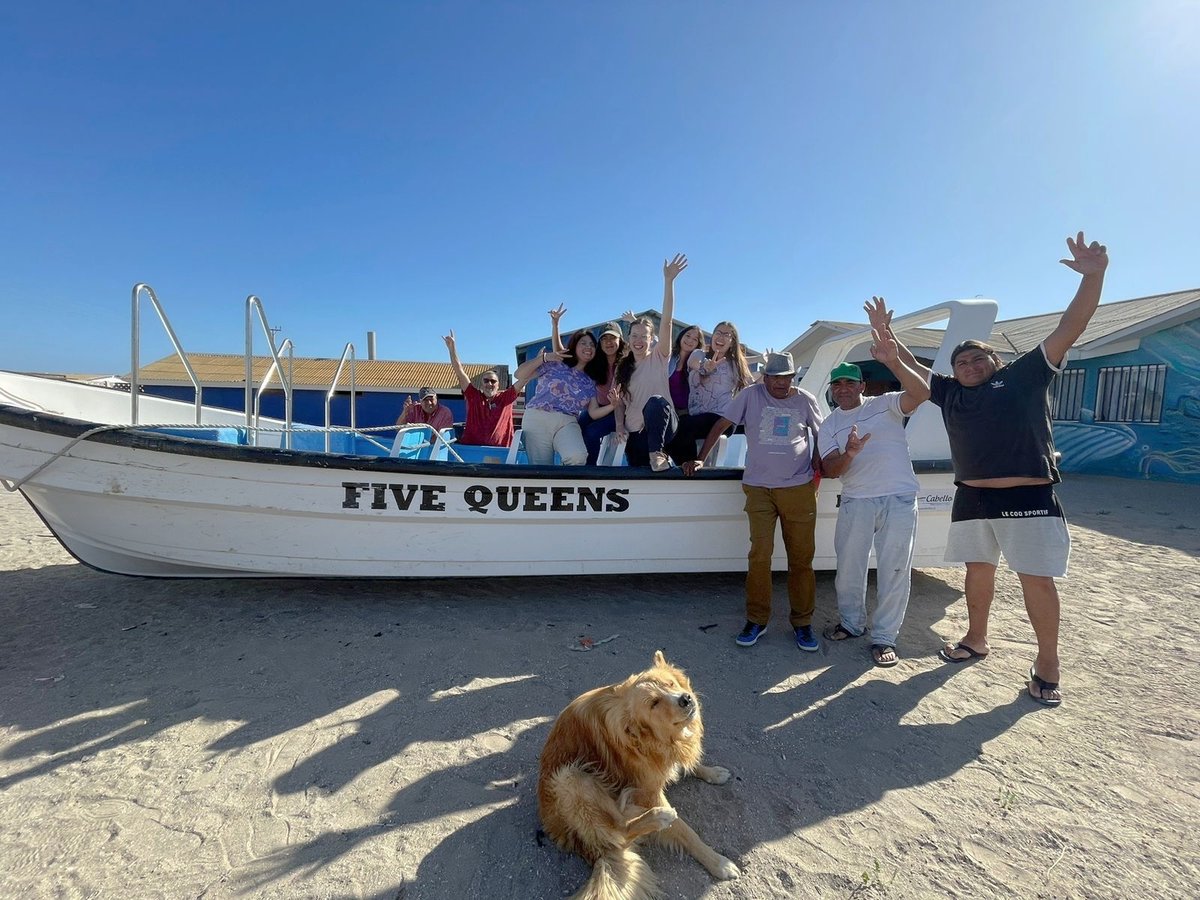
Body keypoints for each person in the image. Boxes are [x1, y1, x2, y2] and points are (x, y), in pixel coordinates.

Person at [905, 232, 1109, 707]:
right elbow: (910, 374)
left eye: (979, 358)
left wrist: (1094, 277)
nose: (970, 364)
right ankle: (976, 638)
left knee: (1035, 578)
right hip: (972, 495)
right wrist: (889, 343)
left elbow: (1070, 325)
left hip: (1028, 496)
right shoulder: (951, 393)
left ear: (996, 361)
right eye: (961, 361)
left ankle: (1049, 664)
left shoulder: (1024, 376)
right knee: (977, 570)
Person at [684, 351, 824, 651]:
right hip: (759, 488)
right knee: (759, 556)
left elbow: (821, 434)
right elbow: (722, 425)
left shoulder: (806, 399)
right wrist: (699, 459)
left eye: (787, 378)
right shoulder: (750, 395)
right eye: (775, 378)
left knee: (802, 559)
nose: (782, 384)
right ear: (765, 377)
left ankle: (803, 623)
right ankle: (757, 620)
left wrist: (817, 463)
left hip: (798, 488)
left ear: (793, 377)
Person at [818, 298, 930, 668]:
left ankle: (885, 638)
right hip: (856, 500)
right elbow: (831, 469)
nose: (844, 389)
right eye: (838, 384)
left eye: (850, 382)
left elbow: (922, 393)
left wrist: (893, 358)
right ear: (832, 391)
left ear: (862, 385)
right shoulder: (830, 424)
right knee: (849, 568)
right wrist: (849, 453)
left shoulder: (887, 403)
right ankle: (851, 624)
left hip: (899, 499)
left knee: (894, 569)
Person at [614, 253, 687, 470]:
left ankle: (658, 453)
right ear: (628, 339)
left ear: (650, 339)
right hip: (635, 432)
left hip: (664, 429)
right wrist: (619, 425)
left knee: (656, 401)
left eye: (643, 336)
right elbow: (619, 404)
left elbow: (666, 323)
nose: (638, 341)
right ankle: (653, 457)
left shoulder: (659, 355)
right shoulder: (622, 368)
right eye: (634, 336)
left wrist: (668, 281)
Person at [549, 307, 628, 466]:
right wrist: (555, 324)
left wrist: (620, 425)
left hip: (622, 411)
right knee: (577, 425)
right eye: (604, 339)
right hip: (600, 408)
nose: (608, 343)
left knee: (592, 433)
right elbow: (561, 355)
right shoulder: (595, 363)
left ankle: (590, 470)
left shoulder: (627, 362)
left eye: (612, 338)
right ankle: (570, 463)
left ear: (620, 341)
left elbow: (650, 345)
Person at [669, 320, 752, 464]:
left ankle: (689, 468)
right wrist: (706, 368)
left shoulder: (736, 365)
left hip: (721, 418)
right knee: (673, 428)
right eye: (718, 333)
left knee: (684, 427)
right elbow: (694, 365)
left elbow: (752, 386)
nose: (721, 337)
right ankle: (687, 467)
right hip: (696, 416)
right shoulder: (699, 354)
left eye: (726, 335)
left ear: (732, 342)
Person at [520, 328, 602, 465]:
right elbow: (520, 374)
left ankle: (567, 486)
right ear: (574, 346)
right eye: (584, 343)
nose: (588, 347)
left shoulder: (591, 380)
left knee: (577, 456)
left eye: (592, 345)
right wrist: (543, 358)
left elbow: (593, 411)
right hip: (538, 417)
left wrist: (614, 404)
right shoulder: (555, 363)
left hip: (568, 421)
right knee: (542, 469)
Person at [442, 330, 520, 447]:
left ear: (499, 385)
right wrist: (452, 349)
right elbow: (459, 371)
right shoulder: (474, 396)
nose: (489, 383)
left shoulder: (506, 398)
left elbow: (523, 380)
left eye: (493, 381)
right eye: (486, 380)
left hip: (500, 453)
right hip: (472, 450)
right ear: (481, 383)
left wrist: (541, 361)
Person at [668, 324, 705, 418]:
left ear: (698, 344)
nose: (690, 340)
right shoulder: (669, 356)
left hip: (688, 413)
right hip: (668, 409)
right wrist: (634, 321)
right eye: (688, 336)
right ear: (681, 336)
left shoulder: (698, 360)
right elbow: (654, 342)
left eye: (695, 339)